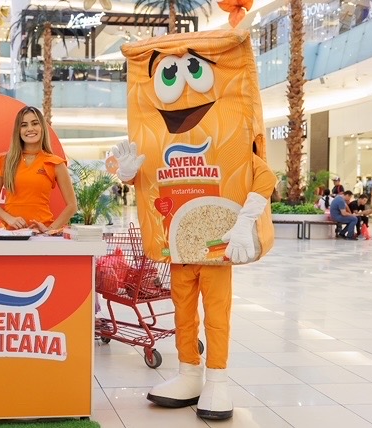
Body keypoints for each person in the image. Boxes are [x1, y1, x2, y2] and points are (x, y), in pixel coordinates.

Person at [118, 29, 275, 421]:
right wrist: (126, 173)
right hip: (178, 245)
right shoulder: (156, 142)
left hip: (218, 244)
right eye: (167, 76)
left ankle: (218, 379)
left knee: (217, 311)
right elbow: (146, 180)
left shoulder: (232, 139)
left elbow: (264, 177)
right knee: (182, 310)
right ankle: (189, 372)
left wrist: (246, 220)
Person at [0, 106, 77, 232]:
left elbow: (72, 205)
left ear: (42, 128)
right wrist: (9, 219)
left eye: (35, 123)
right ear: (18, 130)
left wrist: (49, 230)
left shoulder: (55, 163)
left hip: (41, 238)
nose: (30, 129)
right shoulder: (5, 161)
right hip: (11, 235)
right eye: (24, 125)